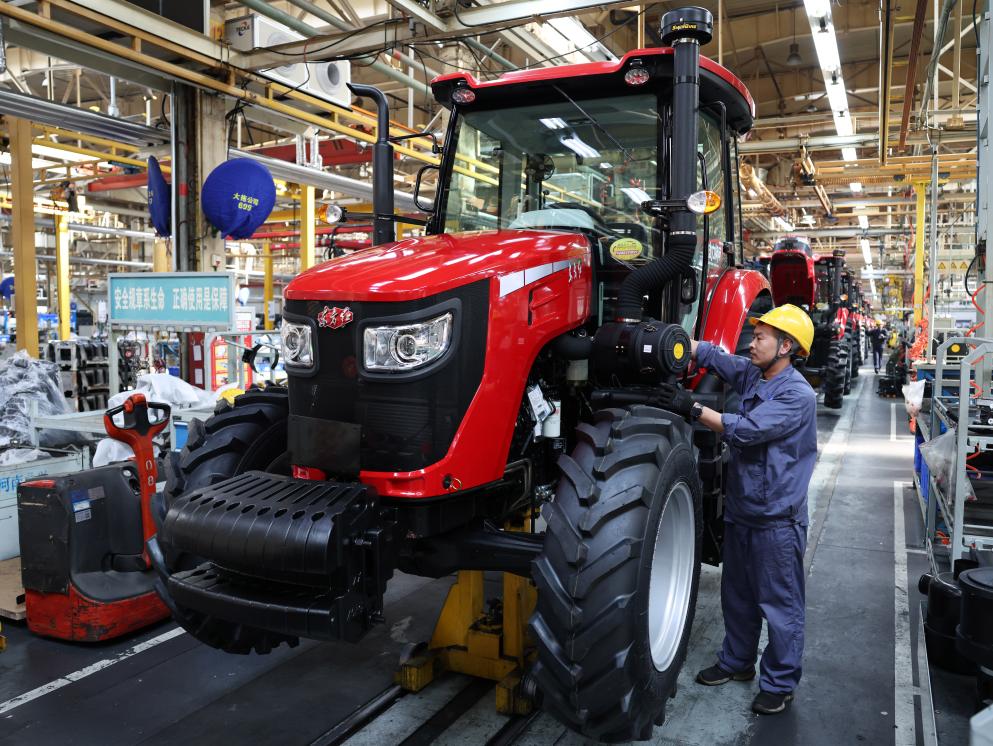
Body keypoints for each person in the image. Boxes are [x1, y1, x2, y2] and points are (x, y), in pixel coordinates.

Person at [656, 304, 818, 715]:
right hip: (743, 508)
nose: (753, 343)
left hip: (777, 519)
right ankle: (737, 662)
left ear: (786, 346)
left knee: (780, 605)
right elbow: (714, 356)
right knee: (738, 596)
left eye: (761, 337)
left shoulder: (796, 395)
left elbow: (747, 431)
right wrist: (677, 341)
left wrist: (692, 407)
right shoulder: (753, 374)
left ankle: (779, 683)